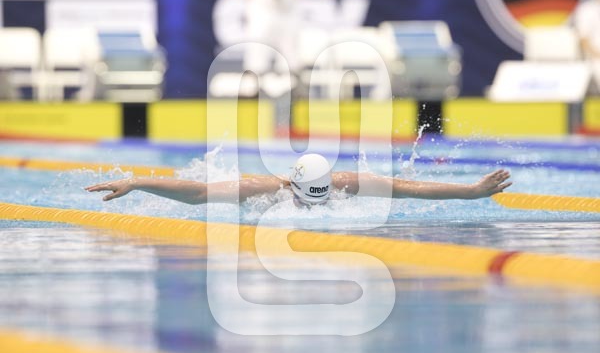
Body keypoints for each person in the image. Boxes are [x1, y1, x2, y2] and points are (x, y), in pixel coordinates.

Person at [86, 154, 512, 208]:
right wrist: (137, 182)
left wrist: (472, 191)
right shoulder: (263, 189)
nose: (314, 206)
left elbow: (409, 188)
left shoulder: (345, 183)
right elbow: (198, 193)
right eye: (308, 198)